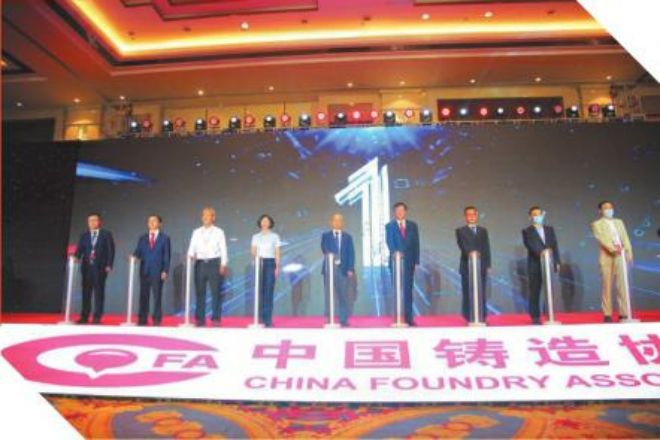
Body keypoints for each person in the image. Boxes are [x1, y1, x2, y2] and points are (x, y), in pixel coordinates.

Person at [591, 201, 633, 322]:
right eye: (606, 208)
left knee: (622, 285)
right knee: (607, 285)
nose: (609, 210)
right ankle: (607, 313)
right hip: (607, 255)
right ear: (600, 211)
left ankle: (624, 312)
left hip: (621, 255)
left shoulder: (619, 222)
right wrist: (614, 249)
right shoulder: (596, 224)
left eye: (611, 208)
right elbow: (602, 239)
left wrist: (628, 251)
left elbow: (625, 237)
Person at [187, 207, 228, 327]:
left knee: (216, 292)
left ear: (213, 217)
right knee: (200, 292)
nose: (205, 217)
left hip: (214, 263)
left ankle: (216, 318)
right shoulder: (196, 232)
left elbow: (223, 249)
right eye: (203, 215)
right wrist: (190, 255)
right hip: (200, 263)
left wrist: (223, 264)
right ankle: (200, 319)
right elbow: (192, 247)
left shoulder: (219, 232)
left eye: (208, 215)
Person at [522, 206, 561, 325]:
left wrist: (557, 261)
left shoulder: (549, 229)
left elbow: (554, 246)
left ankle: (549, 313)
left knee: (549, 290)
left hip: (549, 264)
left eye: (539, 214)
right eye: (535, 214)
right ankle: (535, 316)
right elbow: (530, 245)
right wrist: (542, 253)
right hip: (535, 264)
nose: (537, 216)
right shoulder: (527, 231)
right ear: (530, 217)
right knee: (535, 291)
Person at [75, 213, 115, 324]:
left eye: (94, 220)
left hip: (100, 267)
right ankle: (84, 316)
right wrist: (75, 257)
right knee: (86, 292)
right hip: (86, 267)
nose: (92, 222)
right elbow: (79, 250)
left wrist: (109, 264)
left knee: (99, 292)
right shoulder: (84, 235)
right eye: (90, 221)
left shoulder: (106, 234)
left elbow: (111, 250)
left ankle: (97, 317)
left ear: (99, 222)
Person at [385, 202, 420, 326]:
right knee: (397, 290)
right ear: (394, 212)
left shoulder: (413, 226)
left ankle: (409, 318)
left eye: (401, 210)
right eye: (397, 210)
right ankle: (397, 317)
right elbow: (390, 242)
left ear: (405, 211)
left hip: (409, 262)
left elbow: (416, 244)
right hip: (396, 262)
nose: (399, 212)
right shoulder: (389, 226)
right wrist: (397, 253)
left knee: (408, 291)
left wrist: (416, 261)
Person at [133, 214, 171, 326]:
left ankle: (157, 319)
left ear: (160, 224)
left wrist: (165, 270)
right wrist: (134, 257)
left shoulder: (165, 238)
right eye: (149, 221)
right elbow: (138, 252)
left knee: (157, 295)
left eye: (154, 221)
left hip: (158, 271)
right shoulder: (143, 238)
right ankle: (142, 318)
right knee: (143, 295)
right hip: (144, 270)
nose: (151, 223)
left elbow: (166, 256)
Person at [455, 206, 491, 324]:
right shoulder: (460, 231)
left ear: (476, 215)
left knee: (481, 292)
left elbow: (486, 248)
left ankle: (482, 317)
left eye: (473, 214)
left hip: (481, 266)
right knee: (468, 292)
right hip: (467, 266)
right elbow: (463, 246)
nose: (471, 217)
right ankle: (469, 317)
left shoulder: (483, 231)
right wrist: (471, 253)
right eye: (468, 214)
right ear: (465, 216)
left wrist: (488, 264)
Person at [321, 213, 355, 327]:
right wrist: (334, 257)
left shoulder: (347, 237)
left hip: (343, 270)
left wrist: (350, 268)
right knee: (329, 295)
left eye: (340, 220)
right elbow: (324, 249)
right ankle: (329, 318)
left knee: (343, 295)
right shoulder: (325, 236)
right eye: (335, 220)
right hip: (329, 269)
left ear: (343, 222)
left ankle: (343, 319)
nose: (337, 222)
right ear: (331, 222)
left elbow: (351, 253)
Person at [251, 214, 281, 327]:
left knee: (268, 291)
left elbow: (277, 252)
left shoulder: (275, 236)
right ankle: (259, 318)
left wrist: (277, 266)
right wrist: (256, 257)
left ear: (270, 223)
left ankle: (268, 319)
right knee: (259, 291)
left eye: (267, 221)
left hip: (270, 263)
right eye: (263, 221)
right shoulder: (255, 237)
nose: (264, 223)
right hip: (259, 263)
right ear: (260, 222)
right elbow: (253, 251)